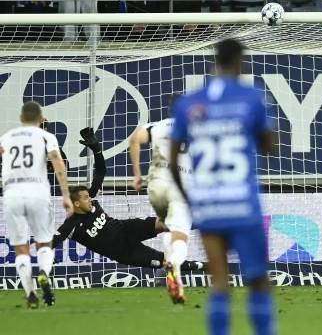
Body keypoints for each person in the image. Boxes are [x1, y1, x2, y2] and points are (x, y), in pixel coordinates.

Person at [170, 39, 277, 335]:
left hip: (208, 205)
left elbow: (173, 161)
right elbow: (270, 147)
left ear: (214, 61)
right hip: (242, 204)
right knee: (258, 281)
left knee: (219, 283)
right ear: (241, 61)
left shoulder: (188, 103)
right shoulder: (251, 97)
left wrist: (191, 201)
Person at [52, 127, 203, 276]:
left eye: (88, 196)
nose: (90, 199)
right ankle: (204, 266)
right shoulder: (70, 225)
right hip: (123, 252)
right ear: (76, 204)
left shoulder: (92, 199)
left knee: (163, 223)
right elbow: (52, 241)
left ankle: (204, 225)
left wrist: (97, 150)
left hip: (126, 229)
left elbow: (101, 171)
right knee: (165, 261)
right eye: (85, 198)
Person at [0, 102, 72, 309]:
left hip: (12, 195)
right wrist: (65, 194)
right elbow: (58, 161)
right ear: (41, 119)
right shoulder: (46, 137)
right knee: (44, 243)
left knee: (20, 248)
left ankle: (30, 294)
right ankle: (43, 273)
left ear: (21, 118)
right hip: (38, 194)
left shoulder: (7, 137)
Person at [130, 94, 194, 304]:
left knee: (168, 226)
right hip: (181, 185)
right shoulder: (197, 129)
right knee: (180, 235)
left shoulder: (157, 126)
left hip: (156, 185)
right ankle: (173, 264)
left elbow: (134, 139)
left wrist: (137, 175)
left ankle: (171, 269)